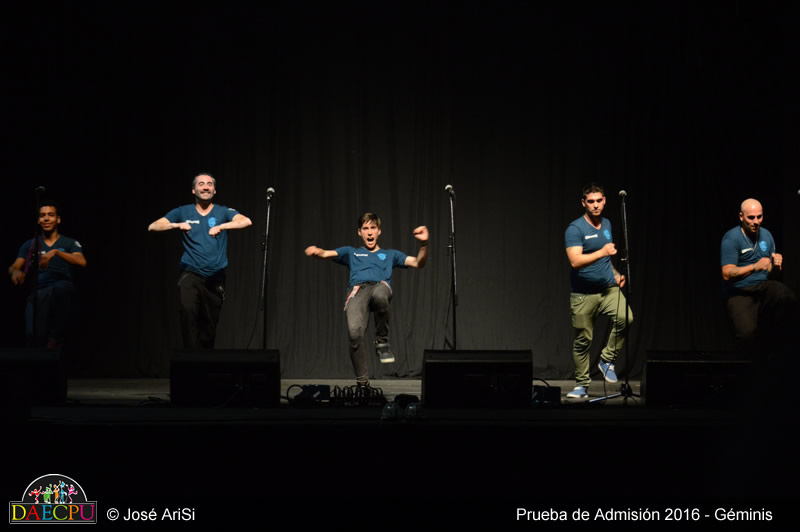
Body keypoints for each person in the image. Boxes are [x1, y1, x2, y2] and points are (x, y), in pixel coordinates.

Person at [305, 213, 429, 387]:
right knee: (354, 333)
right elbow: (326, 253)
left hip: (379, 286)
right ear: (359, 232)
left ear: (379, 231)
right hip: (358, 291)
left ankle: (382, 341)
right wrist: (316, 252)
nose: (369, 232)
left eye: (373, 228)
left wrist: (424, 244)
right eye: (365, 228)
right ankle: (363, 383)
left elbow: (418, 263)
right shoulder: (351, 252)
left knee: (380, 295)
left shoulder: (390, 254)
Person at [148, 173, 252, 349]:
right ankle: (190, 359)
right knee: (188, 312)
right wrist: (176, 224)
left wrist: (222, 226)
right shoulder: (182, 212)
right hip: (191, 272)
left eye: (209, 184)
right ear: (193, 190)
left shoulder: (222, 211)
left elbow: (246, 221)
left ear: (214, 190)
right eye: (201, 184)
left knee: (208, 328)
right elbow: (153, 226)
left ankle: (204, 361)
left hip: (215, 277)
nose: (205, 187)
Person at [564, 183, 633, 400]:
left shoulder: (607, 224)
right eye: (591, 201)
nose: (595, 205)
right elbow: (575, 261)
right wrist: (602, 251)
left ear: (604, 201)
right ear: (583, 203)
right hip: (583, 294)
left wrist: (615, 274)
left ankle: (606, 359)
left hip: (608, 289)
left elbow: (606, 259)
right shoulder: (575, 229)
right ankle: (581, 385)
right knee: (583, 341)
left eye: (599, 201)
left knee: (626, 318)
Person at [720, 198, 796, 358]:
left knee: (785, 294)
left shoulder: (766, 235)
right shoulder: (731, 238)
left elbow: (771, 273)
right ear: (741, 217)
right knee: (747, 336)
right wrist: (754, 266)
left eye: (759, 217)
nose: (756, 222)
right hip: (740, 291)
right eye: (751, 217)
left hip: (762, 286)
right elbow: (727, 273)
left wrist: (775, 266)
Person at [8, 202, 87, 349]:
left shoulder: (69, 242)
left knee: (61, 289)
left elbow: (81, 261)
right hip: (40, 289)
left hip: (61, 285)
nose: (46, 219)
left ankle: (57, 337)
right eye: (42, 215)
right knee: (32, 334)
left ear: (58, 219)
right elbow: (14, 266)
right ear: (38, 220)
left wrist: (56, 252)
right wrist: (15, 272)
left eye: (51, 215)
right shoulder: (30, 244)